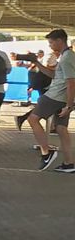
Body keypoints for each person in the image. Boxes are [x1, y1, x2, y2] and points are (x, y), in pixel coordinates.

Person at [29, 30, 75, 173]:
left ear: (60, 41)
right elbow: (54, 75)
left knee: (33, 119)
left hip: (55, 96)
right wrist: (36, 62)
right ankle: (69, 163)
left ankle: (46, 152)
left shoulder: (67, 58)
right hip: (62, 98)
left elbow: (71, 82)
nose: (49, 46)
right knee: (61, 129)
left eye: (51, 42)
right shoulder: (66, 57)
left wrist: (69, 105)